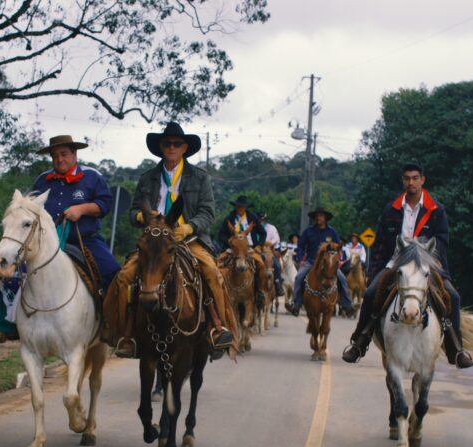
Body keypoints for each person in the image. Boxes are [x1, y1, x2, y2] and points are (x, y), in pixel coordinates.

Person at [103, 122, 237, 358]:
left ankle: (219, 329)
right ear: (161, 147)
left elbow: (208, 211)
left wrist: (189, 227)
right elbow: (134, 212)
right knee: (124, 277)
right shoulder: (148, 177)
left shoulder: (200, 177)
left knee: (213, 273)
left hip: (190, 238)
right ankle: (123, 334)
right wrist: (143, 216)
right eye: (167, 144)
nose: (172, 147)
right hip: (155, 239)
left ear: (185, 147)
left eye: (176, 144)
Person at [341, 163, 473, 368]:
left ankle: (456, 349)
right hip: (396, 264)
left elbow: (442, 240)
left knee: (453, 297)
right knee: (369, 295)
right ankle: (359, 342)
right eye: (407, 178)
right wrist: (372, 273)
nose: (410, 182)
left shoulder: (437, 210)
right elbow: (381, 243)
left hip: (426, 264)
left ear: (422, 180)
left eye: (414, 178)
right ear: (403, 181)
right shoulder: (391, 210)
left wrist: (421, 251)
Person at [32, 135, 121, 292]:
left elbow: (105, 205)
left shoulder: (92, 176)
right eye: (55, 156)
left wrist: (81, 209)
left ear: (74, 154)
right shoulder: (42, 179)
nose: (59, 159)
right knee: (16, 273)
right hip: (45, 242)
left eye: (64, 154)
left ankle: (110, 315)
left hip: (85, 241)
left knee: (114, 273)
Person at [287, 207, 355, 317]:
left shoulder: (332, 232)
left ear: (326, 218)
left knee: (342, 278)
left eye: (321, 216)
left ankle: (347, 305)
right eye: (317, 216)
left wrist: (337, 255)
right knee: (298, 277)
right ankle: (296, 304)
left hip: (328, 263)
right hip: (311, 261)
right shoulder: (308, 231)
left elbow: (338, 247)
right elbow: (300, 246)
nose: (319, 218)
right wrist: (300, 259)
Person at [258, 211, 284, 296]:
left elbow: (276, 239)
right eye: (260, 220)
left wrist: (267, 244)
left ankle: (278, 285)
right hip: (258, 251)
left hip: (270, 250)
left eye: (263, 220)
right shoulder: (254, 228)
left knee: (276, 265)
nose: (261, 221)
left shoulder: (272, 228)